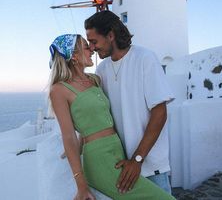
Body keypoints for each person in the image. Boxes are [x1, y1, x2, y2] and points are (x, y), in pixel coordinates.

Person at [49, 34, 175, 200]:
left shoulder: (95, 80)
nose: (91, 50)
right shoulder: (59, 90)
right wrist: (81, 186)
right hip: (99, 159)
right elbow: (68, 135)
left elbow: (94, 119)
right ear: (73, 55)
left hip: (118, 151)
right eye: (86, 47)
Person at [85, 10, 175, 195]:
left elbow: (160, 113)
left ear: (110, 35)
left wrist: (137, 160)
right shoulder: (101, 69)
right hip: (121, 167)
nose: (92, 48)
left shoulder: (145, 58)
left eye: (94, 41)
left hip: (150, 167)